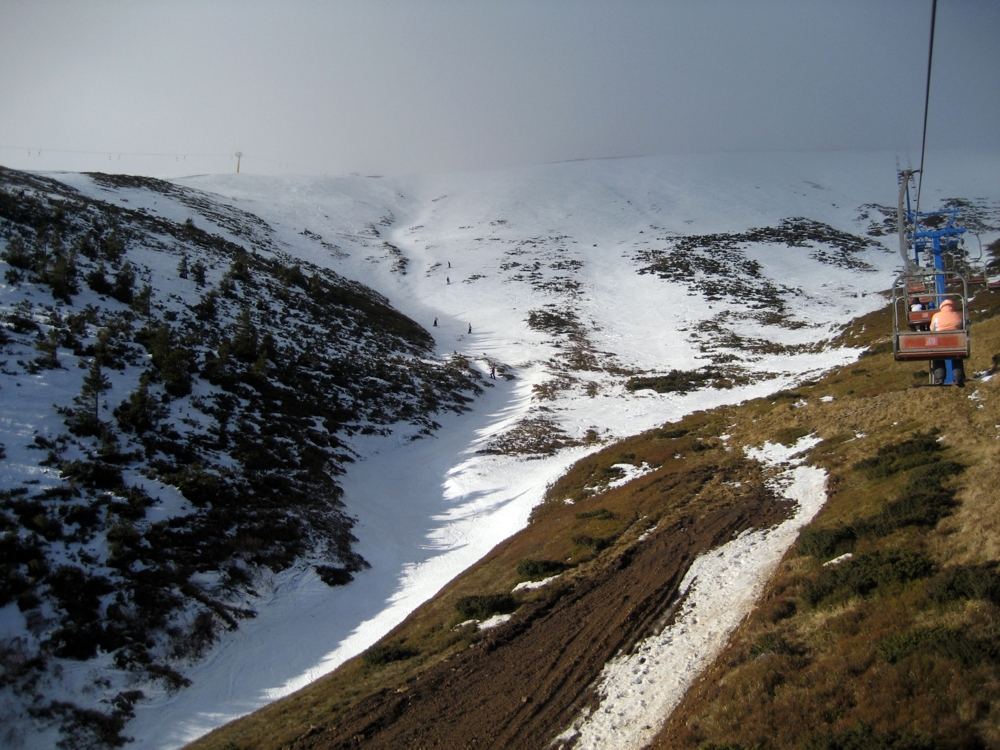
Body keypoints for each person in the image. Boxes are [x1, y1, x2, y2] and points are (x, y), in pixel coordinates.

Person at [930, 298, 965, 386]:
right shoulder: (959, 315)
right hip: (955, 342)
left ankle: (939, 378)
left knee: (938, 358)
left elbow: (932, 328)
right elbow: (962, 326)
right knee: (957, 358)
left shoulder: (936, 315)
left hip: (940, 342)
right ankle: (958, 378)